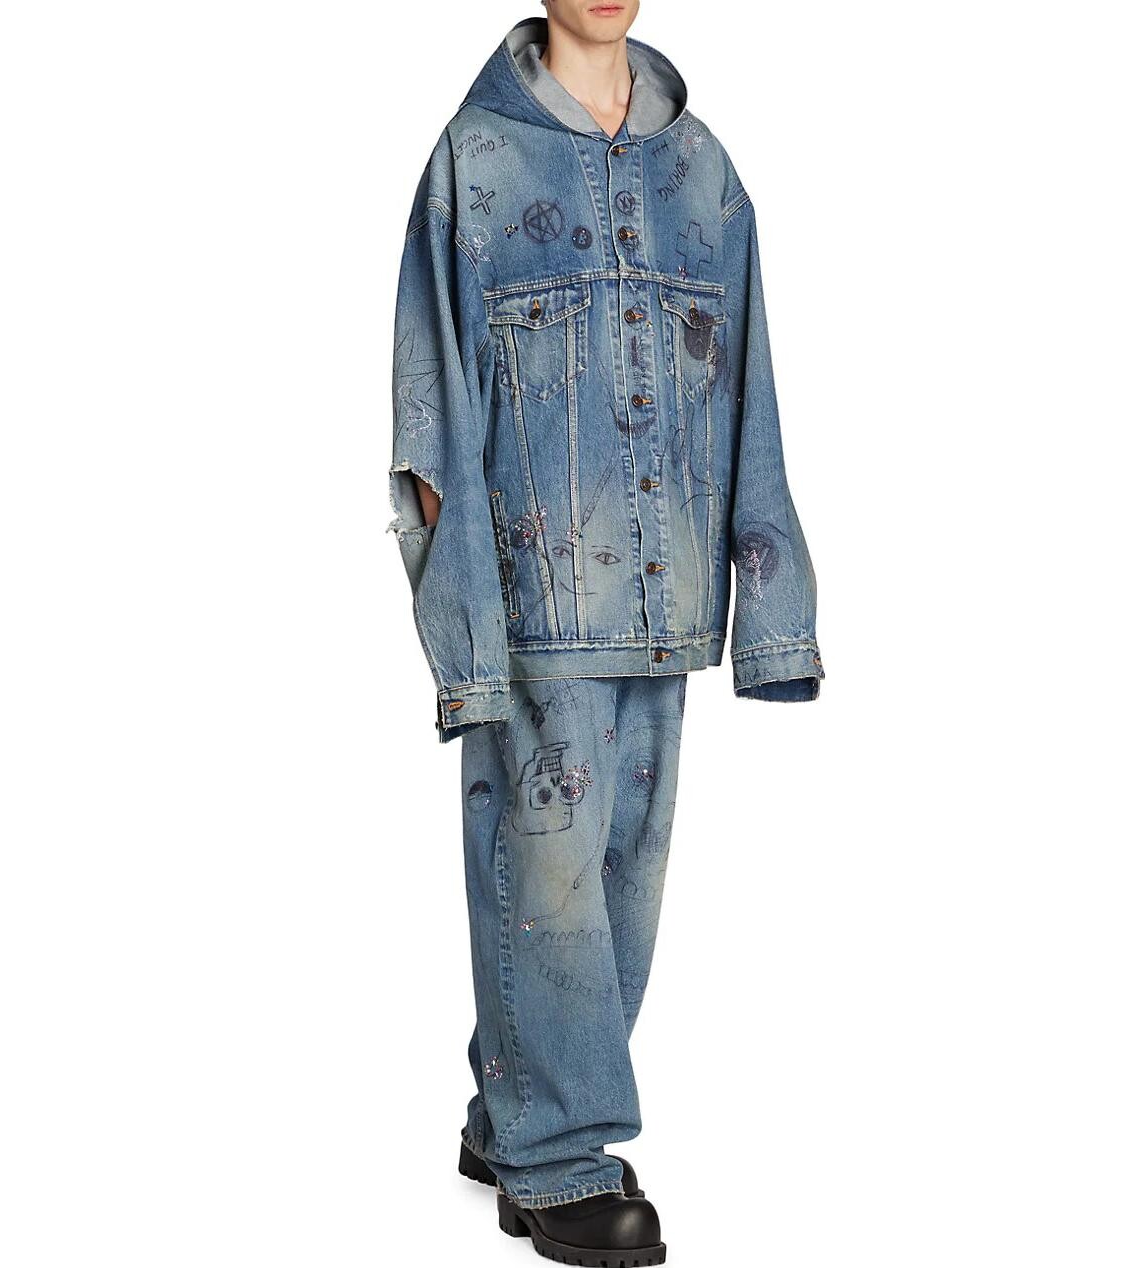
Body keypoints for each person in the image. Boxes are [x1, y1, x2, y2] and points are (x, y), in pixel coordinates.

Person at [388, 3, 822, 1261]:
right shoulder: (474, 162)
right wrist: (465, 628)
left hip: (665, 601)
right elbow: (430, 413)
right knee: (552, 887)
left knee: (620, 887)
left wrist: (770, 602)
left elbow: (748, 387)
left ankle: (509, 1109)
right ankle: (558, 1157)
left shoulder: (705, 174)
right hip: (532, 607)